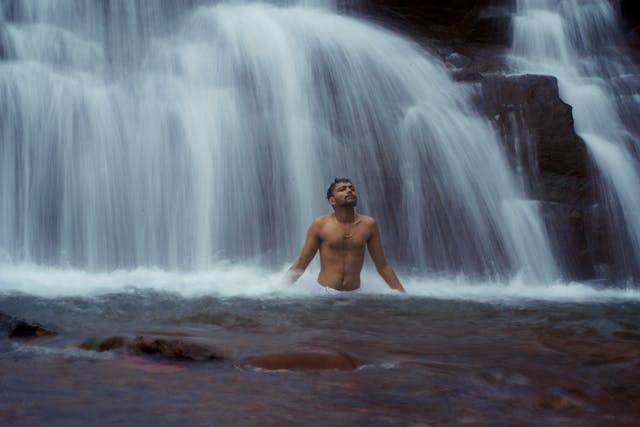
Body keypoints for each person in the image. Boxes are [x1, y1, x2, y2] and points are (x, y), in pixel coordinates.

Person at [288, 178, 405, 293]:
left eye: (351, 188)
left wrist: (403, 295)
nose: (349, 191)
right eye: (342, 189)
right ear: (332, 201)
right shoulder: (320, 225)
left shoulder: (369, 224)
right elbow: (301, 264)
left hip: (354, 294)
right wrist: (279, 290)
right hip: (324, 293)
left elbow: (383, 266)